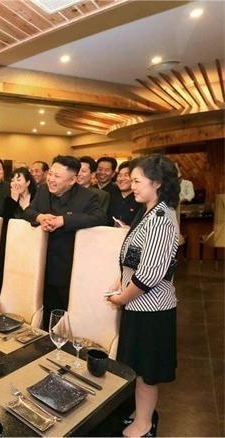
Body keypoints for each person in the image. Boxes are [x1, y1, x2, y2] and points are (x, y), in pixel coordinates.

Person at [107, 154, 180, 438]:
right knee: (137, 367)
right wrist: (121, 281)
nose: (132, 185)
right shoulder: (148, 211)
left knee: (147, 372)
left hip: (152, 309)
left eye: (137, 181)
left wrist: (121, 298)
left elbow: (149, 274)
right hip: (139, 305)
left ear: (157, 183)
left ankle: (145, 423)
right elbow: (135, 258)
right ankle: (139, 413)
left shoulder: (161, 219)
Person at [23, 155, 106, 328]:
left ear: (72, 180)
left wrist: (64, 220)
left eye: (57, 176)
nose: (51, 179)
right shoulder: (43, 190)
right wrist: (40, 217)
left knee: (64, 313)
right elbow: (29, 211)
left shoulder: (87, 197)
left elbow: (99, 217)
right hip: (41, 263)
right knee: (43, 309)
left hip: (68, 266)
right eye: (50, 174)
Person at [107, 161, 142, 227]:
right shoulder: (110, 194)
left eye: (126, 175)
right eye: (119, 175)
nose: (121, 179)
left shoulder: (140, 199)